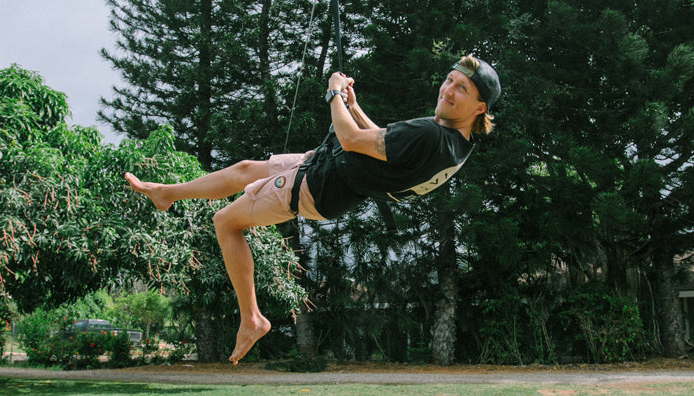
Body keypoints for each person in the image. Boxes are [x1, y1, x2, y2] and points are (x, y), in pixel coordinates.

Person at [124, 55, 500, 364]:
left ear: (480, 106)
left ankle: (251, 318)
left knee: (225, 222)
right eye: (450, 80)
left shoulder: (432, 134)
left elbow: (352, 139)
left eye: (461, 88)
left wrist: (334, 94)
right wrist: (354, 107)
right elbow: (383, 146)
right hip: (329, 170)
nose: (448, 90)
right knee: (244, 169)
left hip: (320, 184)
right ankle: (167, 192)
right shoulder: (456, 145)